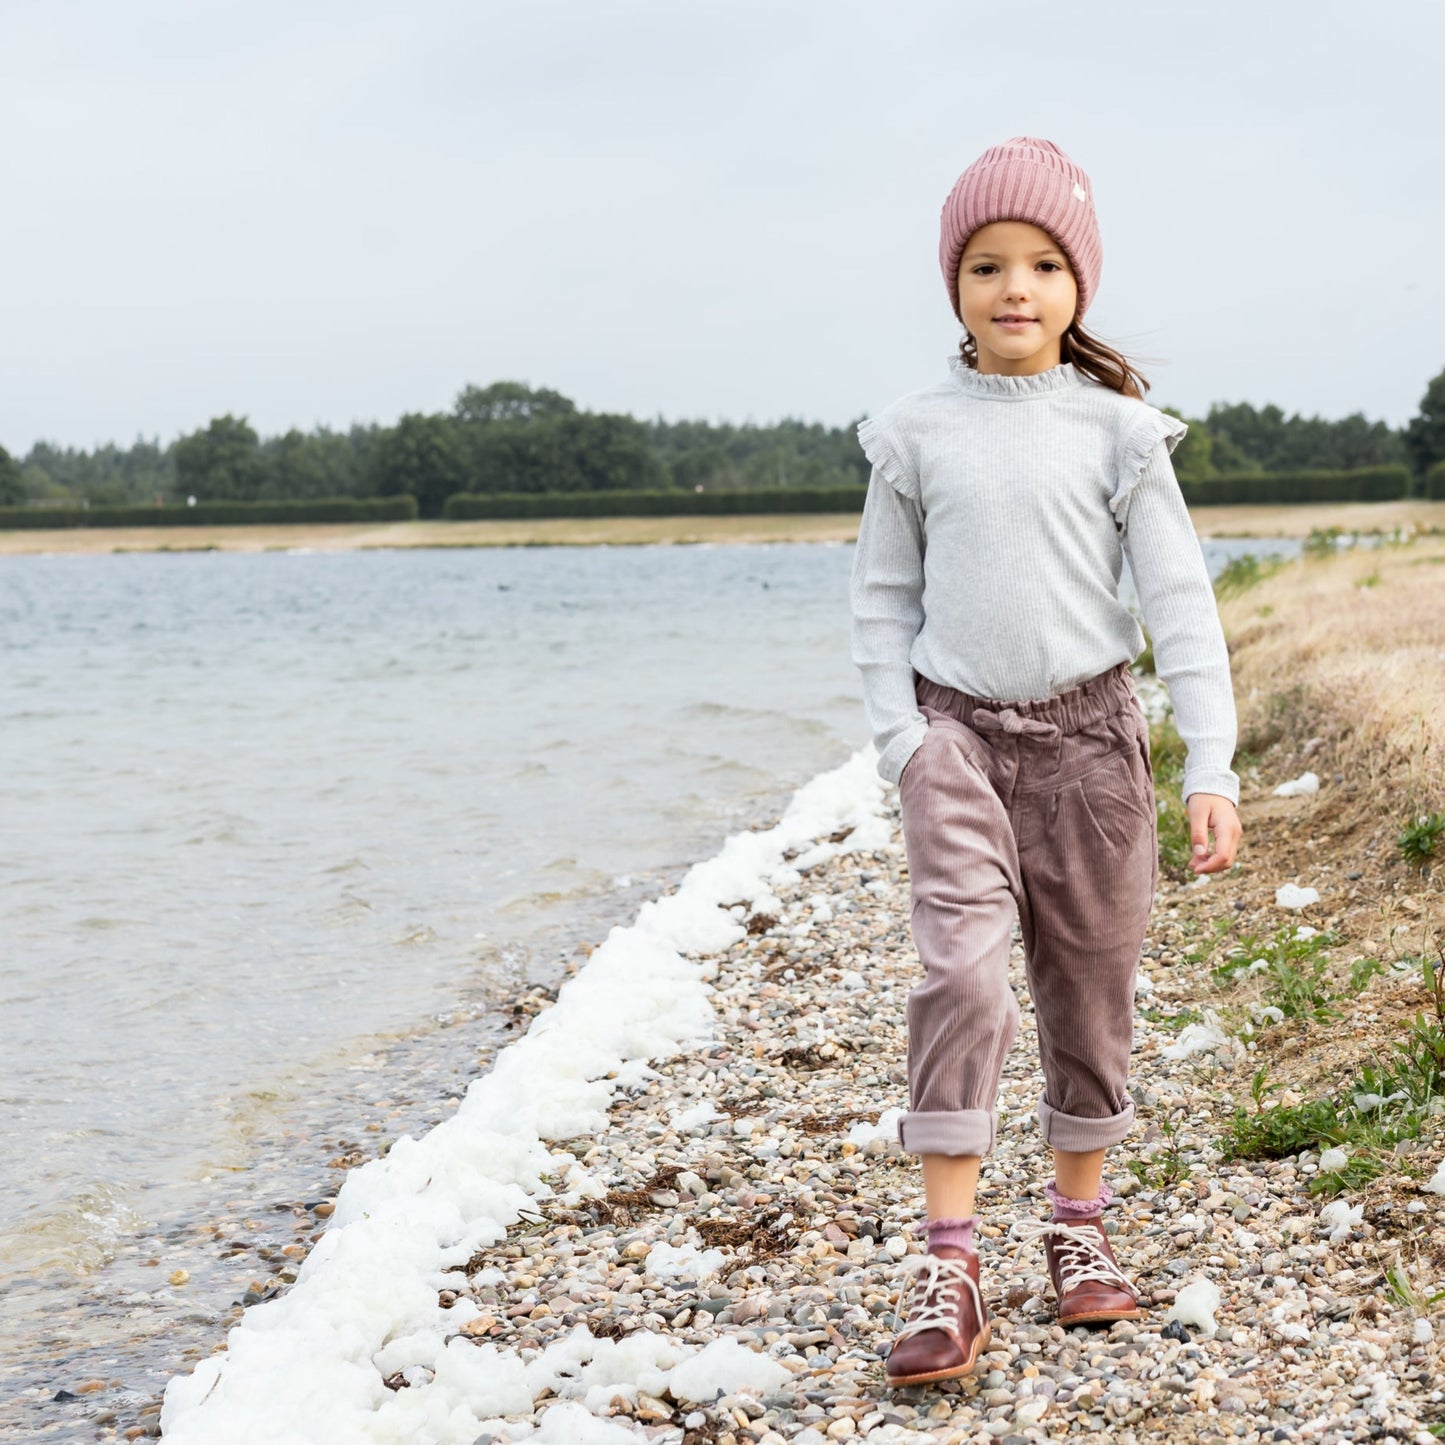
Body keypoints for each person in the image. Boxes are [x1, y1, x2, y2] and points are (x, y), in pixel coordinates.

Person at [849, 136, 1243, 1387]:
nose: (1011, 287)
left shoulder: (1118, 432)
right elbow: (878, 605)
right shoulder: (912, 435)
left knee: (1089, 993)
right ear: (951, 287)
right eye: (982, 266)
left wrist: (1209, 763)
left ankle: (1077, 1231)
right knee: (960, 976)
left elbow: (1177, 604)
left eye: (1037, 265)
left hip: (1090, 749)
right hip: (953, 739)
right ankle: (949, 1259)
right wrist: (903, 744)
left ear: (1076, 285)